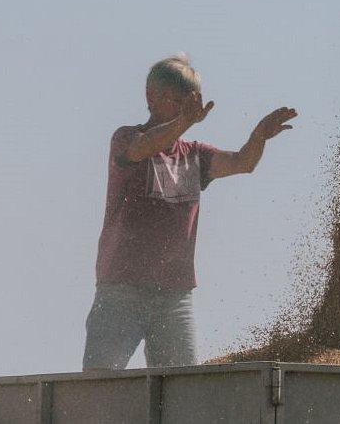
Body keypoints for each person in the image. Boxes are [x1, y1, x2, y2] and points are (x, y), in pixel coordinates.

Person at [82, 54, 297, 370]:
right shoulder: (126, 138)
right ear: (151, 98)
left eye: (192, 101)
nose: (187, 108)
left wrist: (259, 136)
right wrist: (185, 120)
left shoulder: (195, 155)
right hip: (121, 290)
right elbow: (142, 149)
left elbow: (243, 163)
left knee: (183, 391)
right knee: (99, 387)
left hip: (174, 296)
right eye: (179, 101)